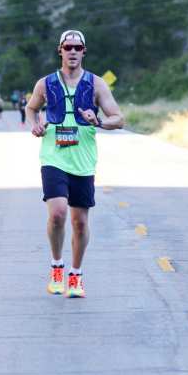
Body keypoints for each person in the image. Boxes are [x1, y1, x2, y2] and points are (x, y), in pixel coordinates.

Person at [26, 30, 124, 298]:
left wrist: (99, 121)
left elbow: (119, 118)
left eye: (77, 47)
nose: (72, 52)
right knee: (57, 213)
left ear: (84, 51)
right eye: (67, 47)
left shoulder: (96, 84)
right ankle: (56, 267)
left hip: (83, 160)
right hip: (53, 156)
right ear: (60, 50)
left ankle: (76, 275)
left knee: (79, 222)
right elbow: (31, 108)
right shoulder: (45, 84)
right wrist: (35, 125)